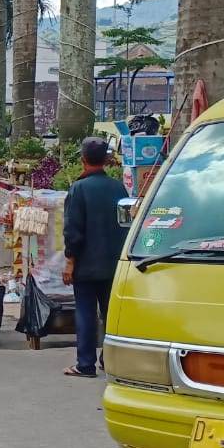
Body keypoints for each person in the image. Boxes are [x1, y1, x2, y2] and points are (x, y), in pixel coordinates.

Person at [62, 137, 128, 377]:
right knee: (111, 314)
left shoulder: (79, 189)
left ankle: (85, 364)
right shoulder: (119, 188)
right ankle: (108, 361)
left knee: (86, 313)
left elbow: (73, 230)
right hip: (114, 264)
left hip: (86, 265)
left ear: (83, 160)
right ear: (106, 160)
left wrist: (70, 261)